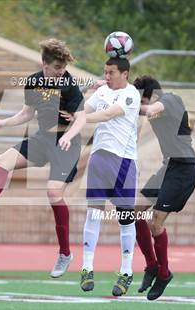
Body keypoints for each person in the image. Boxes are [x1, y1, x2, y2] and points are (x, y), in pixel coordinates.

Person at [0, 38, 86, 278]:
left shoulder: (69, 84)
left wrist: (70, 134)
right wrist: (3, 122)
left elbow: (82, 118)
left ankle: (65, 253)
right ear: (44, 64)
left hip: (67, 144)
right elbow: (27, 114)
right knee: (2, 161)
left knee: (54, 194)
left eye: (63, 67)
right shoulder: (33, 82)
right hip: (42, 140)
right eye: (57, 67)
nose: (61, 71)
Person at [62, 57, 140, 296]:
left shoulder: (132, 94)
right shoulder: (103, 90)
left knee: (125, 217)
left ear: (124, 73)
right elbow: (83, 109)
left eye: (111, 72)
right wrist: (85, 93)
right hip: (99, 159)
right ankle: (86, 267)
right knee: (94, 212)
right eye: (105, 72)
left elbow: (107, 115)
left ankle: (126, 271)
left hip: (124, 161)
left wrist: (81, 118)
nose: (106, 76)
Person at [133, 76, 195, 300]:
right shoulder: (155, 105)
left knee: (155, 222)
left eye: (140, 98)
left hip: (184, 170)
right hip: (168, 167)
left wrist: (128, 101)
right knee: (133, 212)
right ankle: (151, 266)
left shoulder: (169, 99)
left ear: (150, 95)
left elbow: (152, 109)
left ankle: (164, 273)